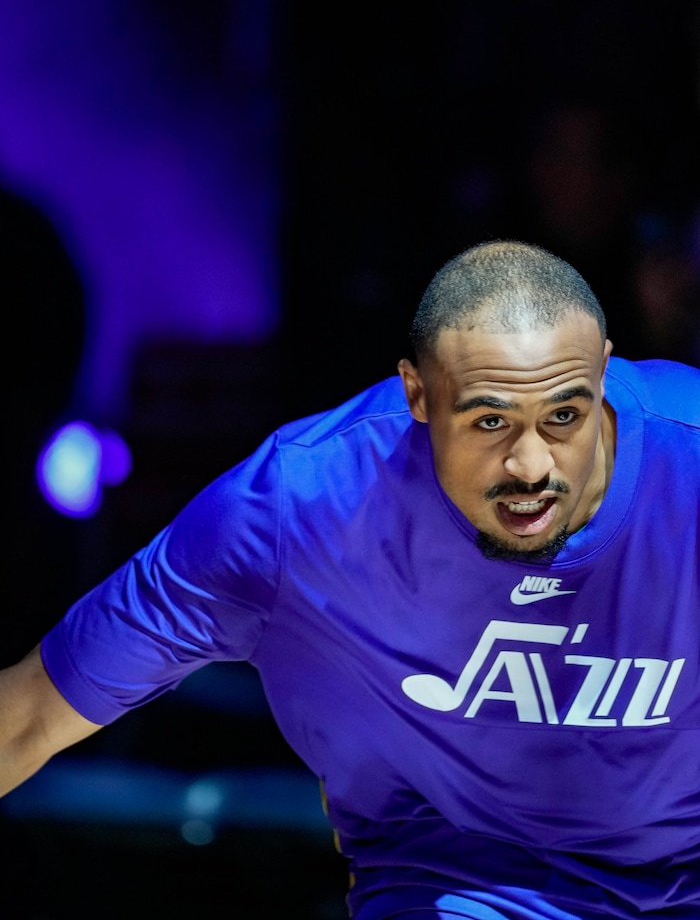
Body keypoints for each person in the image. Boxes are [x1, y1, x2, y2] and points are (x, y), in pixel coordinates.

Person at [1, 239, 698, 919]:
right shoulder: (298, 505)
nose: (532, 466)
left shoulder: (688, 460)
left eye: (564, 417)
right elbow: (29, 716)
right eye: (490, 421)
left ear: (605, 374)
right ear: (418, 396)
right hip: (460, 883)